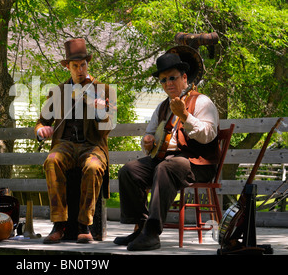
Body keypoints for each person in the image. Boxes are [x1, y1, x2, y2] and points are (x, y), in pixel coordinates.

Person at [114, 45, 220, 251]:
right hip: (166, 159)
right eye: (163, 80)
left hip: (196, 162)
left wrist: (185, 116)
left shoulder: (202, 102)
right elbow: (151, 134)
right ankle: (141, 227)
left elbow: (208, 135)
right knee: (129, 170)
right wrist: (147, 141)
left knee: (166, 167)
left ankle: (152, 233)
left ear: (184, 77)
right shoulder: (162, 106)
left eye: (172, 77)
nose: (168, 83)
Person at [34, 38, 116, 244]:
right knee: (52, 160)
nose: (80, 69)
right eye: (75, 66)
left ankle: (84, 225)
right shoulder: (58, 91)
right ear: (68, 68)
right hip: (66, 144)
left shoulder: (103, 90)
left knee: (93, 166)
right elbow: (41, 122)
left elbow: (107, 128)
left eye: (83, 65)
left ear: (88, 65)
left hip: (93, 145)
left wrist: (100, 111)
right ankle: (59, 224)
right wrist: (41, 130)